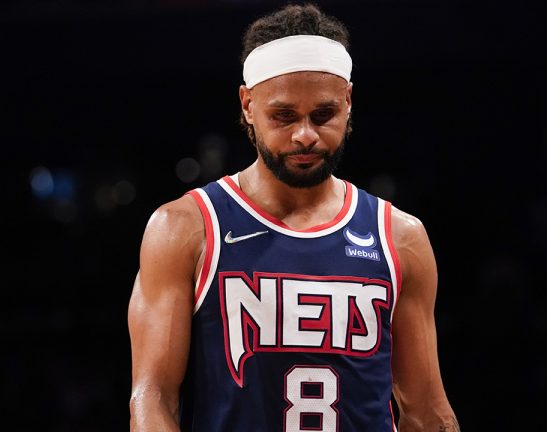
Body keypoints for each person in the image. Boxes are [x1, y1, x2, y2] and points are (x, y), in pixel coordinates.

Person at [128, 4, 459, 431]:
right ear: (247, 105)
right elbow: (152, 398)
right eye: (284, 116)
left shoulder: (400, 237)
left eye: (323, 115)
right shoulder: (185, 228)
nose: (305, 134)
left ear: (349, 102)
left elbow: (427, 411)